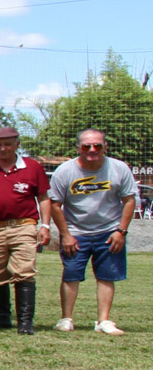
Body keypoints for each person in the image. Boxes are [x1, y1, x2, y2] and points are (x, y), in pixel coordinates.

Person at [46, 129, 138, 335]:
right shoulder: (65, 171)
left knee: (107, 276)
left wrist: (121, 231)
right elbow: (54, 205)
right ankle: (66, 319)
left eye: (97, 145)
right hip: (76, 232)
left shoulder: (119, 168)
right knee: (71, 275)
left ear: (105, 146)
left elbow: (129, 200)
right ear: (78, 148)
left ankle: (103, 321)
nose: (92, 150)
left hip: (109, 232)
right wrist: (66, 234)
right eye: (86, 146)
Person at [0, 126, 50, 332]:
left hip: (24, 225)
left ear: (17, 145)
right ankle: (2, 317)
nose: (3, 148)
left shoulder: (32, 167)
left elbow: (43, 197)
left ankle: (25, 322)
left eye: (8, 144)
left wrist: (45, 225)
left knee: (24, 272)